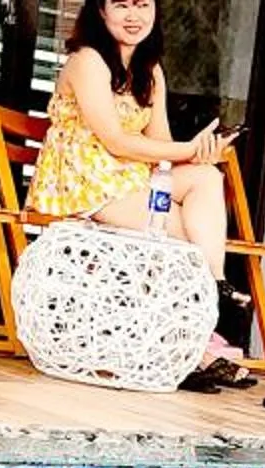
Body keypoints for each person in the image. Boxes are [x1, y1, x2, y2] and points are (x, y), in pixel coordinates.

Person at [30, 0, 245, 301]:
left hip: (131, 176)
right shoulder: (88, 60)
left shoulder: (150, 70)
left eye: (143, 5)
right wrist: (187, 149)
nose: (134, 16)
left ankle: (218, 281)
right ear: (101, 11)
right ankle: (199, 308)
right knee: (182, 233)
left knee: (207, 176)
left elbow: (160, 142)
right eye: (122, 6)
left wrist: (198, 154)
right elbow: (114, 140)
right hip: (86, 181)